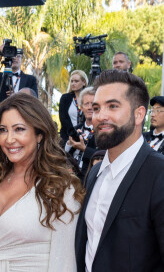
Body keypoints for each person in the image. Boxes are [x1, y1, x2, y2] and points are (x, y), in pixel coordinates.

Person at [0, 93, 84, 272]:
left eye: (19, 129)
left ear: (39, 134)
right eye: (3, 130)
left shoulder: (61, 187)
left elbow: (65, 262)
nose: (9, 139)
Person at [75, 70, 164, 272]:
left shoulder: (159, 174)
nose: (100, 116)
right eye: (96, 108)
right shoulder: (95, 173)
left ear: (139, 114)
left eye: (113, 106)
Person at [65, 87, 97, 182]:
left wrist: (85, 149)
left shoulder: (103, 131)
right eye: (86, 104)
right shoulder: (75, 129)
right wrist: (69, 144)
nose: (90, 107)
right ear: (81, 107)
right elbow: (64, 154)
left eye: (93, 104)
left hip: (89, 178)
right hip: (70, 176)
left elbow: (105, 156)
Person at [59, 70, 88, 142]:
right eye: (71, 81)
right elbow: (63, 118)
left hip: (86, 136)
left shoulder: (89, 98)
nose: (73, 83)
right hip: (67, 137)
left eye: (76, 81)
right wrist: (73, 133)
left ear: (84, 82)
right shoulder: (65, 98)